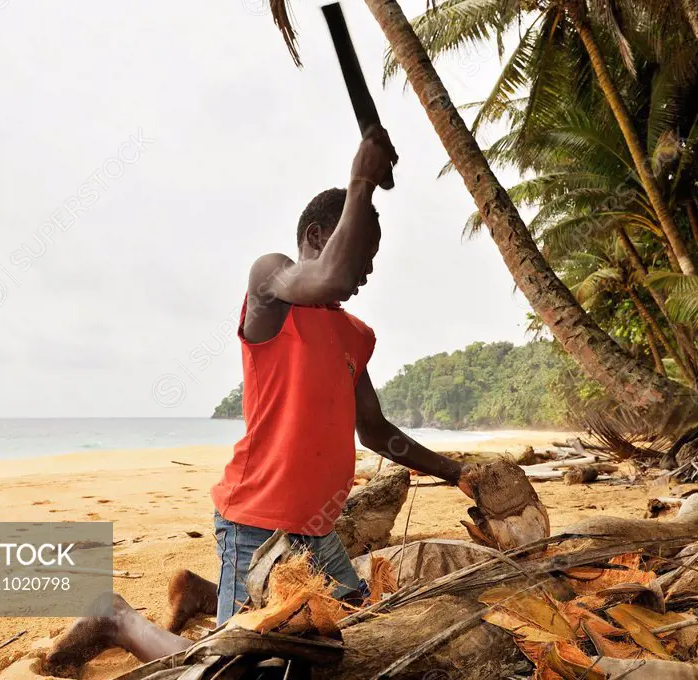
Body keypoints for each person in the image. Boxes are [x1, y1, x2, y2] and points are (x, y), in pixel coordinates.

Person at [45, 127, 474, 673]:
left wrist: (454, 469)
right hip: (255, 522)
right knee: (231, 668)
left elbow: (375, 429)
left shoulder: (354, 335)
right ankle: (118, 618)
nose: (366, 271)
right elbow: (331, 274)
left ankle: (204, 595)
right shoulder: (269, 284)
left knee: (348, 633)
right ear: (318, 236)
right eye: (363, 250)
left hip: (317, 533)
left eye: (372, 257)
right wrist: (362, 181)